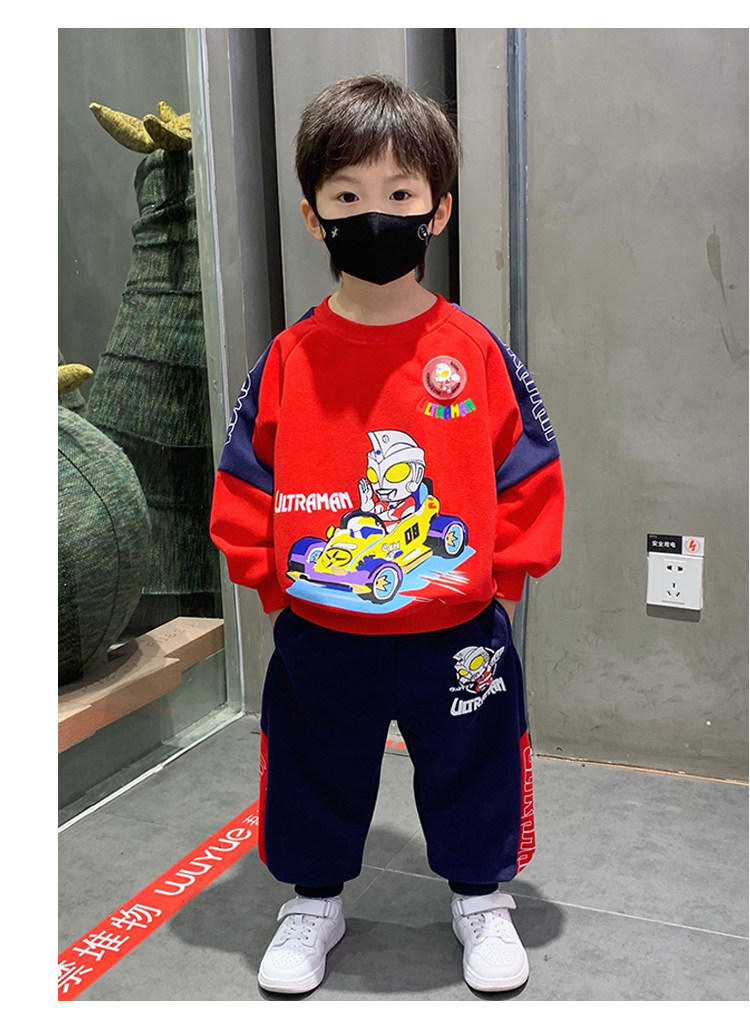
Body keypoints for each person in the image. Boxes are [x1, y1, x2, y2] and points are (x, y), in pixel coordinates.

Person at [209, 73, 564, 996]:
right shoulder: (288, 359)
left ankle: (481, 898)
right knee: (313, 766)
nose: (377, 215)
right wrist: (276, 587)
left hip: (457, 627)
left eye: (401, 194)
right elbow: (243, 478)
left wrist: (500, 581)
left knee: (473, 763)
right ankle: (313, 901)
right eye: (348, 196)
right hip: (324, 628)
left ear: (437, 210)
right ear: (313, 215)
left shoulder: (474, 352)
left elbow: (527, 472)